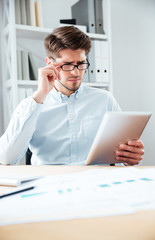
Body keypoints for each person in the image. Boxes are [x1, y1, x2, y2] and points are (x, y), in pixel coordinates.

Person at [0, 26, 144, 165]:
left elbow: (122, 155)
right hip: (50, 183)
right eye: (67, 65)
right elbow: (6, 158)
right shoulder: (31, 106)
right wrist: (39, 96)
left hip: (95, 181)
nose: (75, 73)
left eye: (81, 63)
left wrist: (129, 157)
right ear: (50, 63)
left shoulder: (104, 100)